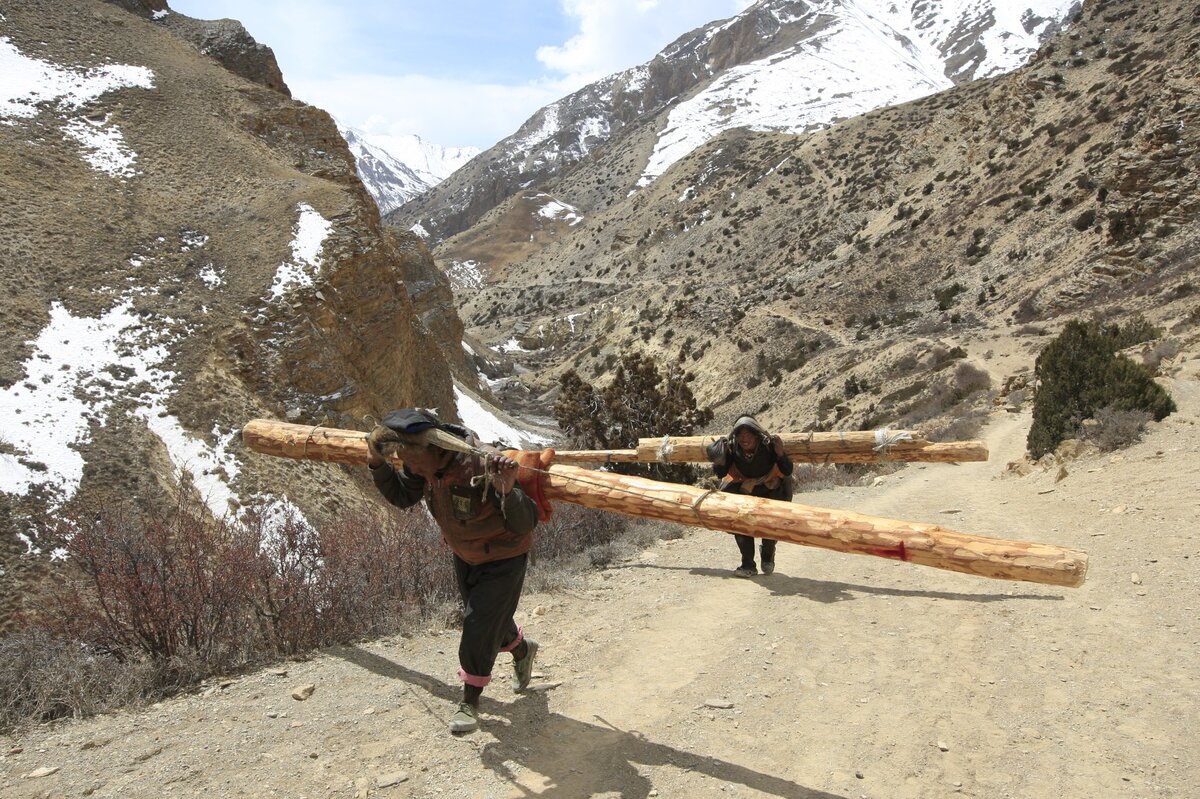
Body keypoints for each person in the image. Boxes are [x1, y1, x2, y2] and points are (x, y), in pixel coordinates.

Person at [365, 408, 540, 734]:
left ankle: (470, 701)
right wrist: (377, 462)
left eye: (414, 462)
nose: (411, 469)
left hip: (504, 555)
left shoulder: (482, 464)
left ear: (436, 450)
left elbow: (526, 521)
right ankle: (523, 650)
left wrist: (506, 489)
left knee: (477, 623)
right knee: (491, 619)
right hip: (466, 554)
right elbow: (403, 497)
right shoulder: (426, 467)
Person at [706, 415, 794, 577]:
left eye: (748, 434)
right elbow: (720, 473)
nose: (744, 438)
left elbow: (787, 470)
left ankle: (768, 555)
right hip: (745, 490)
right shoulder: (733, 448)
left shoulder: (768, 446)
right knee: (740, 524)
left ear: (756, 435)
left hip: (770, 490)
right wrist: (722, 457)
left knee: (770, 524)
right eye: (740, 435)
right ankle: (748, 565)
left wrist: (781, 454)